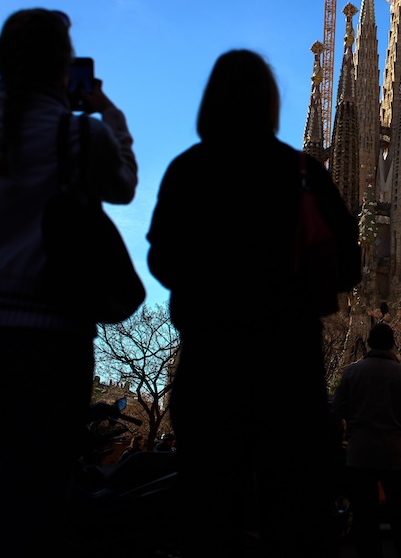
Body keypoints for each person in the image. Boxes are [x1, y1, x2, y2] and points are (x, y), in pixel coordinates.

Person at [0, 8, 137, 557]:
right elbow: (124, 185)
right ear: (65, 68)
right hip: (50, 343)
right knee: (34, 505)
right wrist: (102, 108)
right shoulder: (78, 135)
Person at [146, 49, 360, 558]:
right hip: (288, 365)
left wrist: (207, 287)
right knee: (291, 509)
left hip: (210, 360)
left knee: (209, 505)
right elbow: (349, 265)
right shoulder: (302, 173)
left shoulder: (189, 169)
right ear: (270, 103)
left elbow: (161, 260)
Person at [331, 322, 401, 558]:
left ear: (369, 343)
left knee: (364, 516)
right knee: (400, 514)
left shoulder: (353, 372)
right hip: (393, 454)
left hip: (360, 454)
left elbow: (338, 408)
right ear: (392, 343)